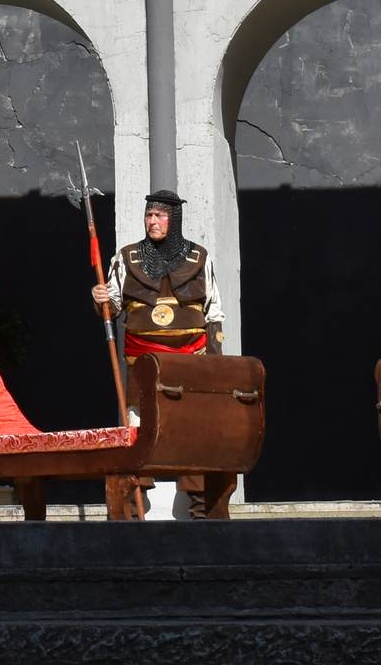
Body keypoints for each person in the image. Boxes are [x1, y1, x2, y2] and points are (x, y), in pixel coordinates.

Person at [92, 188, 233, 517]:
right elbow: (111, 310)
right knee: (139, 430)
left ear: (175, 219)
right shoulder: (126, 258)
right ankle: (133, 508)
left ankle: (200, 508)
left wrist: (215, 364)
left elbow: (213, 312)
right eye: (148, 216)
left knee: (193, 430)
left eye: (159, 216)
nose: (152, 221)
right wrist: (101, 299)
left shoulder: (199, 258)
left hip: (192, 361)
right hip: (141, 362)